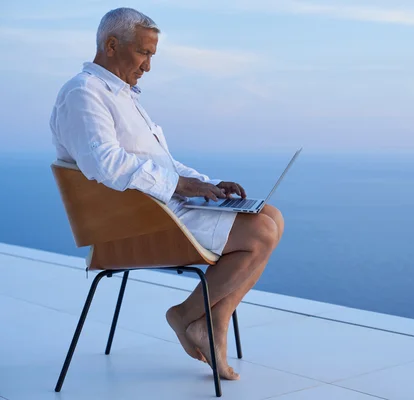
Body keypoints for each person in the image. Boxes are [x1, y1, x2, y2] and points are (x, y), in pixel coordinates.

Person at [49, 7, 283, 381]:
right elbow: (104, 163)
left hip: (158, 209)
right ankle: (189, 315)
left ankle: (216, 316)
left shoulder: (124, 96)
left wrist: (208, 184)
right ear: (111, 45)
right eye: (144, 53)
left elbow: (164, 164)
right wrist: (181, 187)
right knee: (261, 232)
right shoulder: (83, 94)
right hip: (131, 225)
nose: (148, 67)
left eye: (151, 56)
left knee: (271, 216)